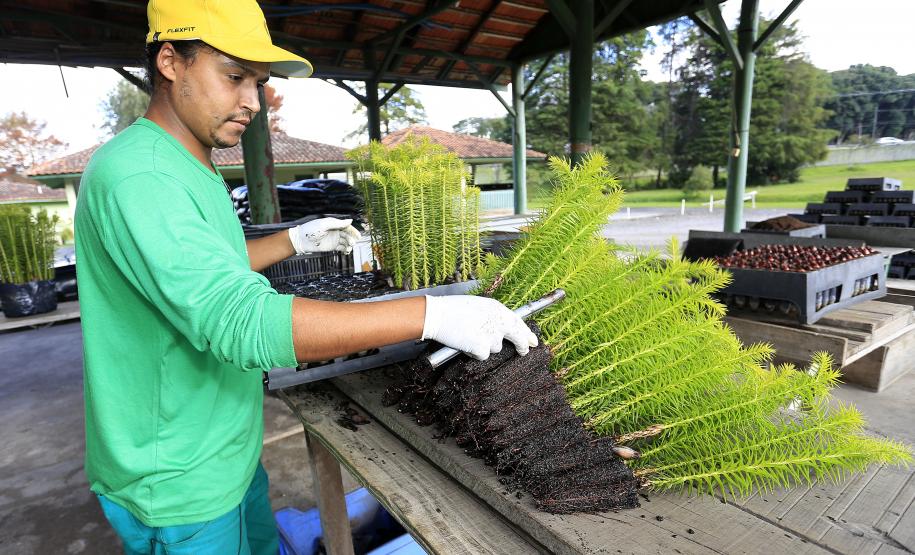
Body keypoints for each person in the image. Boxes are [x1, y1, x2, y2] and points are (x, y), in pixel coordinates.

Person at [74, 1, 537, 553]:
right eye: (233, 76)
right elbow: (237, 321)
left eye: (259, 82)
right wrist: (431, 313)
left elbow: (200, 275)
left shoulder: (186, 161)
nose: (253, 101)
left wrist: (292, 240)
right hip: (175, 475)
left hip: (221, 446)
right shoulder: (140, 175)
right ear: (171, 61)